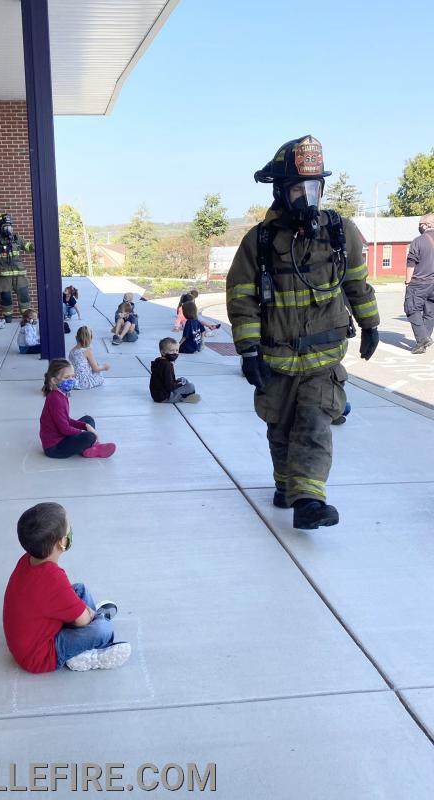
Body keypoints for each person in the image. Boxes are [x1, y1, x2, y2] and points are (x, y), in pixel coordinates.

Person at [227, 135, 379, 530]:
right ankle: (287, 485)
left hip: (323, 361)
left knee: (313, 425)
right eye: (298, 188)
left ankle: (309, 500)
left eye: (314, 187)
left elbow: (357, 283)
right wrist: (248, 351)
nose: (307, 197)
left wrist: (370, 324)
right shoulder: (258, 241)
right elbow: (242, 298)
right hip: (276, 361)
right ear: (281, 191)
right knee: (280, 429)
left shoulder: (340, 232)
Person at [3, 502, 131, 673]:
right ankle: (85, 655)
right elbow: (83, 620)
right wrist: (90, 614)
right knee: (103, 629)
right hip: (39, 655)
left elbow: (51, 595)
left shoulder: (27, 559)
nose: (70, 531)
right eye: (68, 529)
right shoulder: (53, 579)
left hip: (30, 636)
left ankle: (88, 625)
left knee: (80, 590)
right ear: (61, 543)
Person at [40, 359, 116, 459]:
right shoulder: (55, 399)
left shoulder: (61, 394)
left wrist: (85, 426)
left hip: (62, 437)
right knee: (89, 436)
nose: (71, 380)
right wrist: (84, 432)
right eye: (66, 377)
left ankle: (89, 448)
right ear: (54, 380)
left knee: (88, 420)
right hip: (54, 448)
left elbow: (67, 420)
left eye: (73, 376)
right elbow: (64, 429)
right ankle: (92, 447)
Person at [404, 213, 434, 354]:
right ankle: (424, 341)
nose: (419, 226)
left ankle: (422, 339)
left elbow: (411, 262)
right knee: (430, 312)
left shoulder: (418, 241)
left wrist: (408, 281)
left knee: (411, 309)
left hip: (419, 283)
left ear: (427, 224)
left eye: (420, 224)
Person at [150, 337, 200, 403]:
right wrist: (180, 384)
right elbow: (169, 386)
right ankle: (183, 398)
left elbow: (167, 381)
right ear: (163, 352)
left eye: (176, 350)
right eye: (172, 351)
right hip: (164, 397)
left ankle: (184, 396)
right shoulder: (166, 365)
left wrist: (178, 382)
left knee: (182, 379)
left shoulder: (159, 361)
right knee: (190, 386)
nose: (175, 353)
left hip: (157, 395)